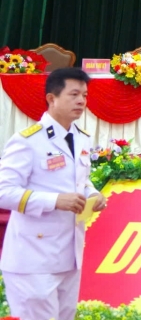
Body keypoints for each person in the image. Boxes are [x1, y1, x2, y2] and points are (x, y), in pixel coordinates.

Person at [0, 68, 106, 320]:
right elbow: (4, 191)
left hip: (69, 253)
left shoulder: (81, 138)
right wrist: (55, 201)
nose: (81, 101)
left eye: (84, 95)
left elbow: (78, 180)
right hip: (33, 257)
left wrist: (93, 193)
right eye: (73, 94)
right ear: (52, 98)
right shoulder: (28, 140)